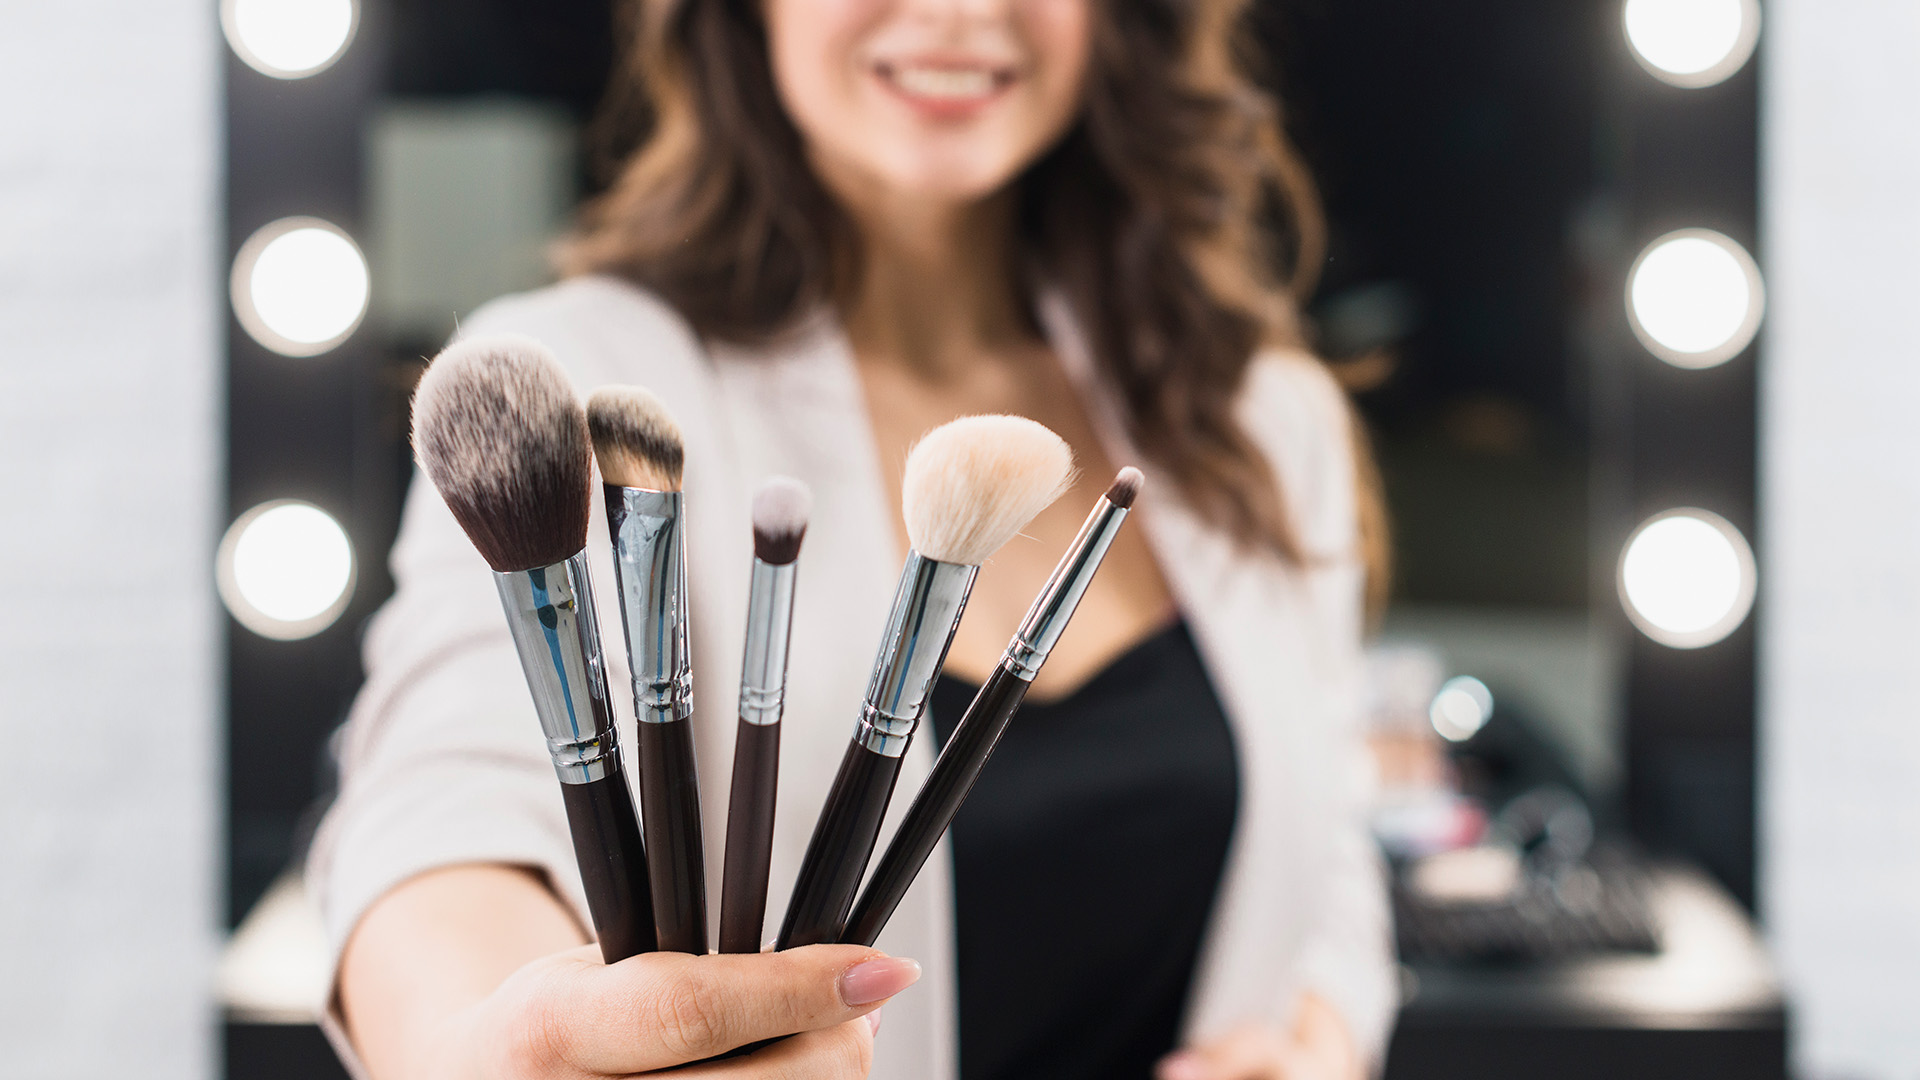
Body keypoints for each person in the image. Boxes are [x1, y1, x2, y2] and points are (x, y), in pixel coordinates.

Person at [311, 0, 1397, 1077]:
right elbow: (438, 828)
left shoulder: (1260, 419)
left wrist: (1319, 1044)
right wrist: (509, 1049)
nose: (959, 13)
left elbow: (1327, 852)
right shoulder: (576, 375)